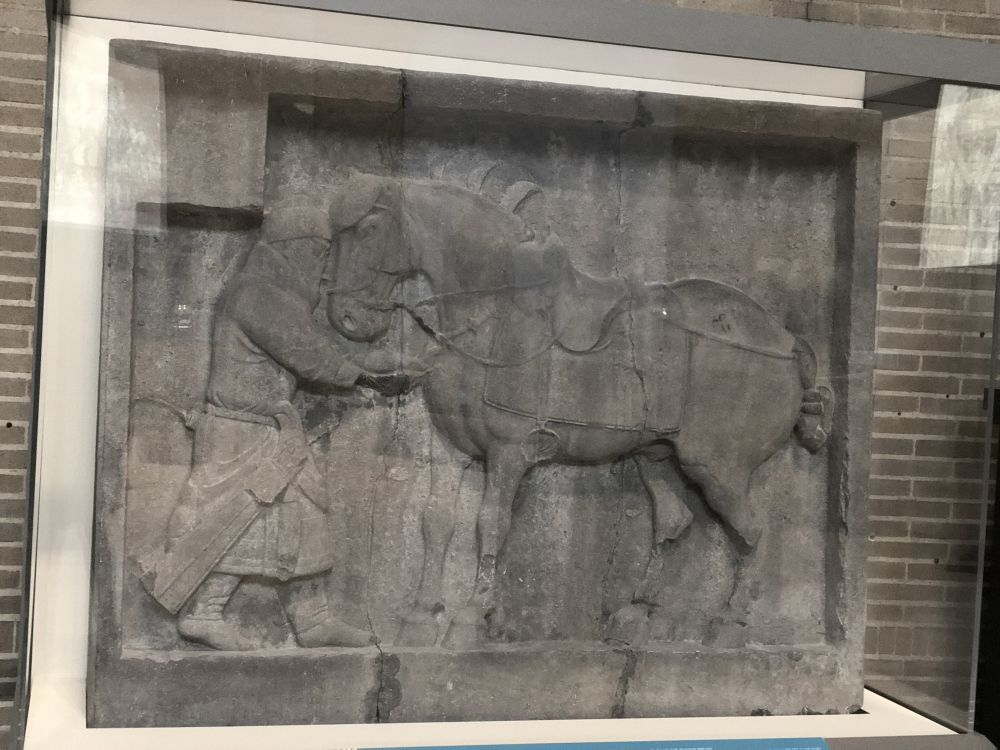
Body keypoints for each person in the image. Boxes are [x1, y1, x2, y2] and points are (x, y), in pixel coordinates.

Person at [147, 195, 416, 650]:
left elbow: (312, 346)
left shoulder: (268, 293)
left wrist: (374, 366)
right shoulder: (258, 294)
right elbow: (308, 354)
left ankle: (313, 620)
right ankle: (203, 614)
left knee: (304, 516)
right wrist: (370, 377)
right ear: (296, 249)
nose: (324, 269)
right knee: (233, 521)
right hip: (242, 432)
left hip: (269, 432)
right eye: (320, 255)